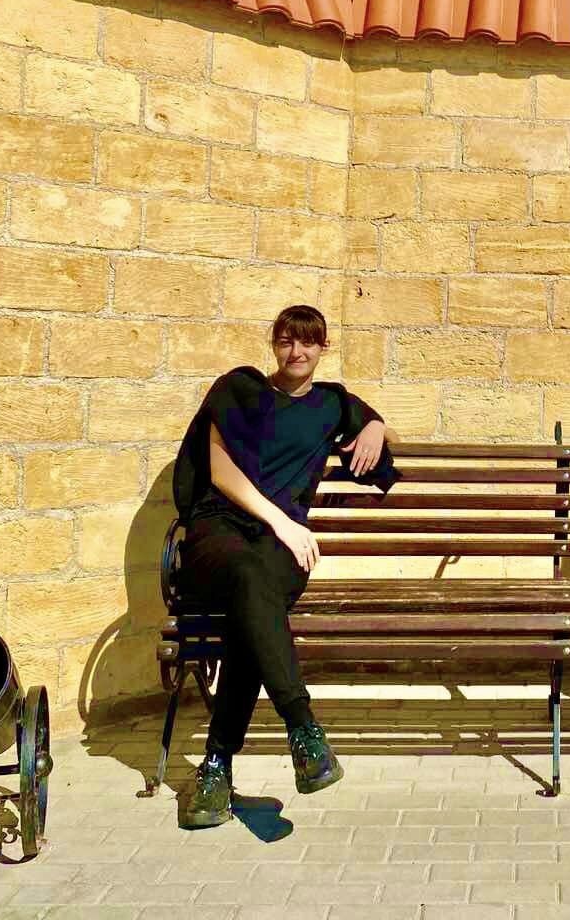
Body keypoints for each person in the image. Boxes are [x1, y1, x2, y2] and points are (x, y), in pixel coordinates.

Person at [169, 303, 397, 828]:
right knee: (251, 583)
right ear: (273, 344)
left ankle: (216, 767)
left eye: (308, 342)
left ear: (323, 348)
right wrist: (284, 523)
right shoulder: (240, 389)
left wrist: (376, 426)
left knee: (253, 608)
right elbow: (221, 473)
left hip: (282, 547)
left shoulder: (332, 404)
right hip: (221, 530)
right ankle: (303, 728)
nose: (297, 352)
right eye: (286, 341)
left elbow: (385, 439)